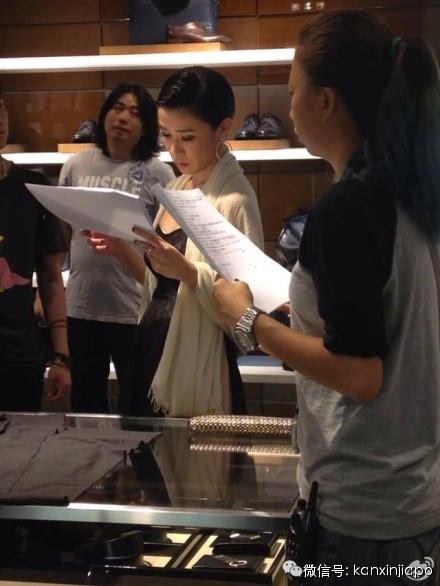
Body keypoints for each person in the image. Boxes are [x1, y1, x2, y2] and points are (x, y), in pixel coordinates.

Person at [214, 10, 440, 585]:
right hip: (409, 497)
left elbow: (361, 374)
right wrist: (303, 317)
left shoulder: (346, 208)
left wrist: (248, 321)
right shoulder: (406, 189)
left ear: (326, 101)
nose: (288, 108)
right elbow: (382, 324)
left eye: (293, 92)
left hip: (361, 512)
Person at [88, 66, 264, 417]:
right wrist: (121, 247)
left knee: (190, 451)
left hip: (197, 361)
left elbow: (249, 310)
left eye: (187, 137)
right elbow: (159, 285)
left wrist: (189, 272)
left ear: (223, 128)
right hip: (152, 344)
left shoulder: (234, 200)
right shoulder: (175, 187)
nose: (174, 149)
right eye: (166, 135)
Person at [59, 83, 174, 414]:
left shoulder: (158, 172)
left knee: (139, 406)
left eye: (134, 113)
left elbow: (168, 239)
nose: (123, 118)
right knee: (86, 406)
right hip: (82, 306)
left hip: (134, 308)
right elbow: (66, 229)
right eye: (117, 108)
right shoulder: (77, 164)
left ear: (147, 126)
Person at [0, 87, 71, 411]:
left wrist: (61, 356)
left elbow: (51, 277)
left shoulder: (33, 187)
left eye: (1, 107)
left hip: (19, 355)